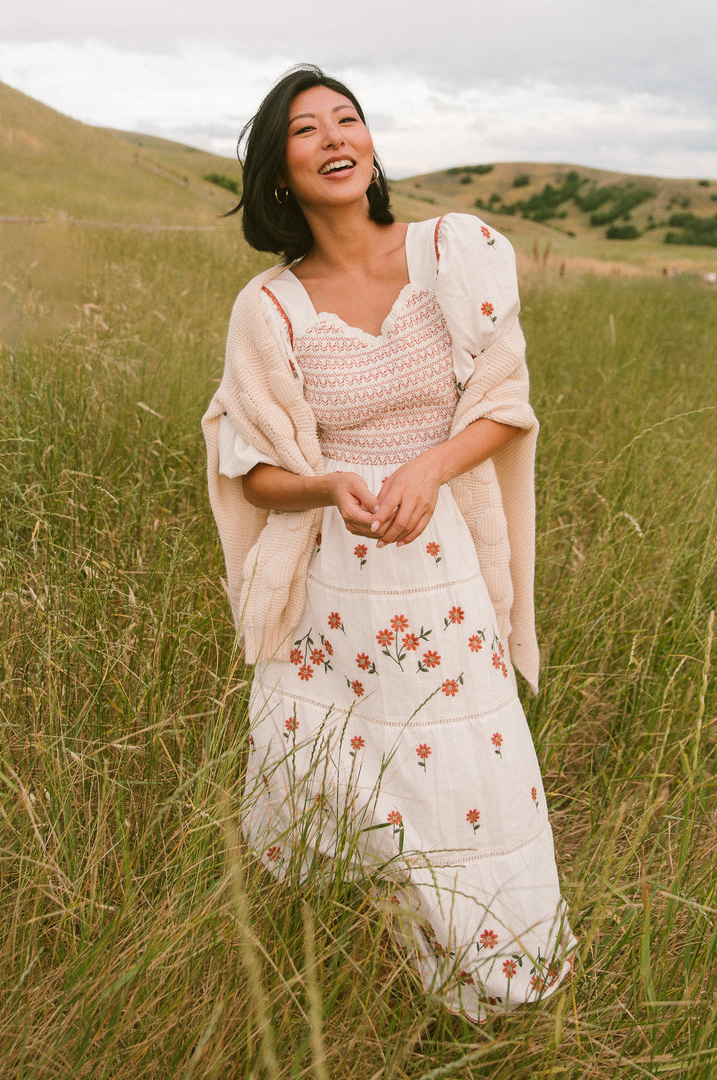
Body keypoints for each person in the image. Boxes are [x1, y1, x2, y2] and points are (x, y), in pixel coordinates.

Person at [202, 65, 576, 1022]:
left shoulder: (455, 252)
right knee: (347, 767)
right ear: (277, 171)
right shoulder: (268, 307)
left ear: (370, 147)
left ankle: (492, 981)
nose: (336, 137)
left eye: (350, 119)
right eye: (306, 128)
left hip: (443, 561)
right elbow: (250, 469)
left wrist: (432, 468)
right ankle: (347, 957)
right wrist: (332, 483)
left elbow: (504, 405)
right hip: (334, 577)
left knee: (459, 765)